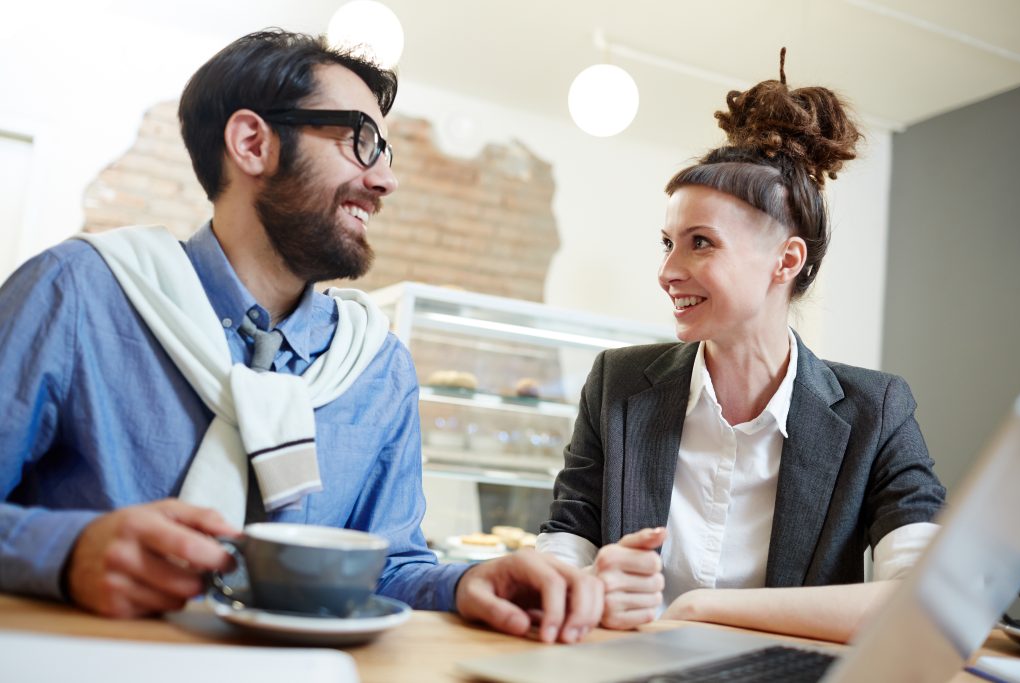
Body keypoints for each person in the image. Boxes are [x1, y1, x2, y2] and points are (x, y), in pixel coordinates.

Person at [0, 29, 602, 644]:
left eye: (386, 154)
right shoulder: (75, 293)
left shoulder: (376, 366)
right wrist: (65, 552)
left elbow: (387, 567)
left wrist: (467, 582)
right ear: (253, 143)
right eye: (360, 141)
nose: (385, 181)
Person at [536, 50, 945, 643]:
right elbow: (565, 542)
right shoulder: (616, 385)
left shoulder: (876, 411)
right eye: (667, 243)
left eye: (700, 242)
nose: (667, 271)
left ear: (786, 260)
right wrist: (586, 583)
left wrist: (700, 608)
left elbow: (925, 602)